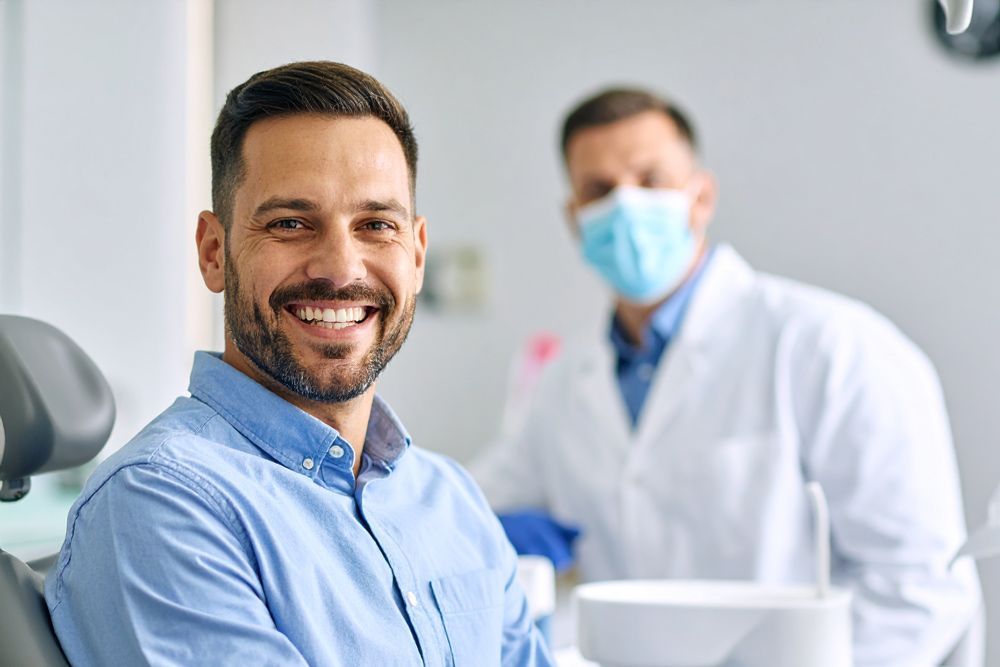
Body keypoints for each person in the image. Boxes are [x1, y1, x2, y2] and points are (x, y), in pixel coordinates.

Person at [44, 61, 551, 666]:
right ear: (213, 251)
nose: (340, 268)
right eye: (290, 223)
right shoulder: (161, 504)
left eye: (375, 225)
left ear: (416, 255)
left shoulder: (450, 500)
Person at [471, 87, 981, 666]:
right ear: (574, 218)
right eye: (600, 191)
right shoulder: (565, 382)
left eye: (651, 179)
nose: (626, 206)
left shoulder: (833, 346)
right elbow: (470, 501)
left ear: (701, 196)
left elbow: (919, 587)